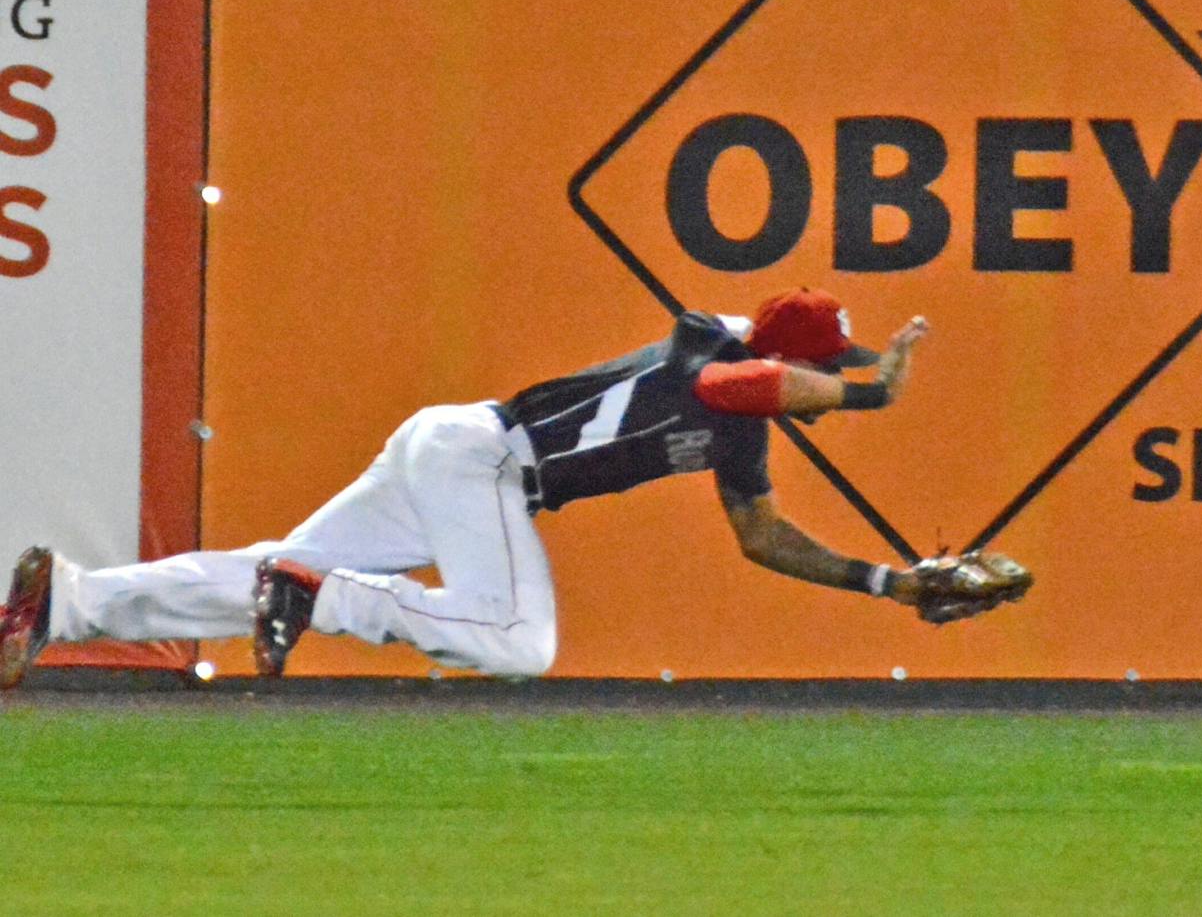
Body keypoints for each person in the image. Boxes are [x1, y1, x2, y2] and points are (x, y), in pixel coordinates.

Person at [0, 288, 946, 687]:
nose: (837, 383)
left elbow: (762, 537)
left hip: (453, 450)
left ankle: (65, 603)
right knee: (520, 641)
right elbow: (741, 383)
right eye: (831, 368)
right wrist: (871, 395)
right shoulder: (721, 357)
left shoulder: (745, 416)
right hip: (485, 460)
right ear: (792, 360)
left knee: (270, 569)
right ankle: (321, 593)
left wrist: (887, 582)